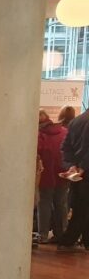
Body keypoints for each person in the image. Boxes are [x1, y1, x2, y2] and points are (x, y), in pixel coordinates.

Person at [57, 108, 89, 252]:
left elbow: (66, 147)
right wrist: (83, 166)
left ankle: (68, 241)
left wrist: (72, 166)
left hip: (77, 175)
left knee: (79, 207)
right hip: (84, 171)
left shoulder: (77, 121)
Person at [36, 109, 68, 243]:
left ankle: (43, 235)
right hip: (63, 173)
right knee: (61, 204)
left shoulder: (39, 135)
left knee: (44, 204)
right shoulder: (64, 131)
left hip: (46, 174)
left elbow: (37, 152)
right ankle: (62, 234)